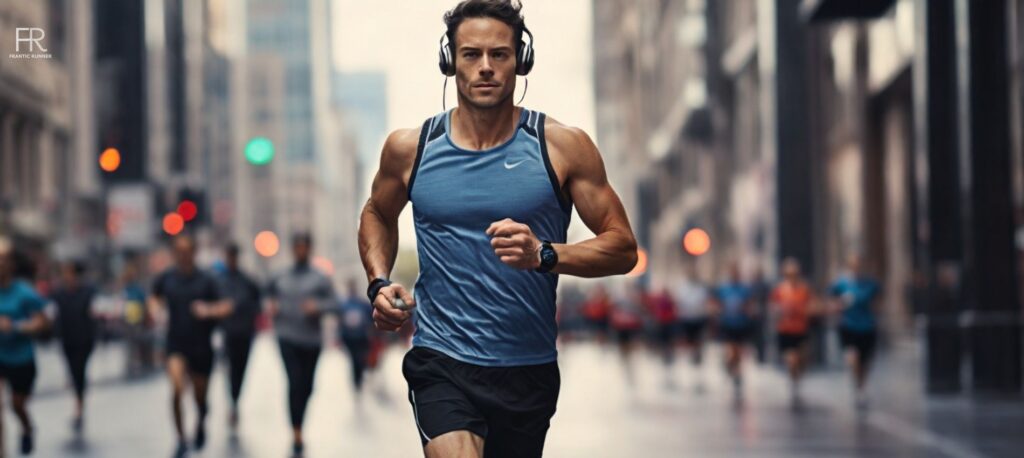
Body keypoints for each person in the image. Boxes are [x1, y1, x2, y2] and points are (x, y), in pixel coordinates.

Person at [358, 1, 638, 456]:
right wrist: (378, 281)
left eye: (499, 54)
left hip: (528, 369)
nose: (485, 67)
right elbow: (377, 213)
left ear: (520, 60)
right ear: (450, 61)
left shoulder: (563, 147)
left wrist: (545, 254)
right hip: (441, 358)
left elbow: (623, 247)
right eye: (471, 54)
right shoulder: (411, 149)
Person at [148, 235, 233, 457]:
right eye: (179, 250)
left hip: (201, 345)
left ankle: (201, 420)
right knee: (176, 388)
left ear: (194, 252)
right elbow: (154, 297)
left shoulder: (207, 279)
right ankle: (180, 437)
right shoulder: (167, 278)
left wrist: (208, 310)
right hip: (176, 342)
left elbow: (226, 306)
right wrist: (156, 310)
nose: (183, 254)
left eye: (187, 250)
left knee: (199, 396)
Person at [266, 232, 336, 457]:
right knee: (294, 382)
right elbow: (265, 294)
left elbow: (336, 304)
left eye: (304, 247)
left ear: (309, 249)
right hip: (286, 336)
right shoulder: (280, 275)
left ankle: (299, 424)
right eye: (296, 247)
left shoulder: (320, 277)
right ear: (292, 249)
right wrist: (271, 305)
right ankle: (296, 432)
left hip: (311, 340)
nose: (300, 251)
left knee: (306, 386)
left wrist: (318, 307)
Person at [0, 245, 48, 456]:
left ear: (11, 265)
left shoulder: (24, 292)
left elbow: (43, 322)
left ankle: (27, 428)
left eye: (3, 260)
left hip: (21, 358)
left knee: (16, 405)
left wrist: (17, 326)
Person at [216, 243, 262, 432]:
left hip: (244, 333)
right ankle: (233, 401)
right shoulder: (218, 280)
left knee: (240, 369)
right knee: (229, 369)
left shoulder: (247, 281)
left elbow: (257, 305)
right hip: (226, 333)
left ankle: (235, 399)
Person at [49, 261, 99, 433]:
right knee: (73, 371)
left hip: (84, 340)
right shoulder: (59, 294)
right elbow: (53, 314)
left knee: (79, 372)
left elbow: (93, 313)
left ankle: (79, 407)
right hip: (67, 340)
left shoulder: (87, 292)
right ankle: (78, 403)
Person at [828, 254, 880, 409]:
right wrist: (840, 304)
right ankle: (858, 387)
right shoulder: (841, 284)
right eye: (853, 265)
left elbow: (878, 301)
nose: (856, 269)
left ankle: (861, 387)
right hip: (849, 326)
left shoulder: (871, 284)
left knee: (866, 362)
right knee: (853, 358)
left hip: (867, 327)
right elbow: (831, 301)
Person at [769, 257, 818, 406]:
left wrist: (809, 310)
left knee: (802, 361)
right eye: (789, 274)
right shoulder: (780, 290)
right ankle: (793, 383)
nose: (792, 276)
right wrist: (778, 313)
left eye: (795, 273)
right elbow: (773, 308)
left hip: (801, 329)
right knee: (791, 360)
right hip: (786, 330)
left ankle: (797, 378)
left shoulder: (804, 289)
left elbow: (814, 305)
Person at [711, 263, 755, 400]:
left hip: (741, 325)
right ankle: (729, 366)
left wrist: (749, 312)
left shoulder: (744, 289)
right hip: (727, 324)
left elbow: (750, 305)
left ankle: (737, 372)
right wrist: (717, 312)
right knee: (731, 350)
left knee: (739, 351)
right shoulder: (723, 289)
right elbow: (715, 304)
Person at [672, 264, 710, 391]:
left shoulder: (701, 288)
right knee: (687, 346)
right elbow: (679, 302)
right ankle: (687, 369)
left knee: (698, 346)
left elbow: (704, 302)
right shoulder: (683, 288)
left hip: (698, 320)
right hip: (686, 320)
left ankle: (698, 370)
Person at [338, 279, 374, 398]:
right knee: (354, 359)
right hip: (349, 337)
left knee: (360, 359)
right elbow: (339, 321)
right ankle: (356, 380)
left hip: (361, 336)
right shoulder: (344, 304)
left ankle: (359, 376)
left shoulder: (362, 304)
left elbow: (371, 316)